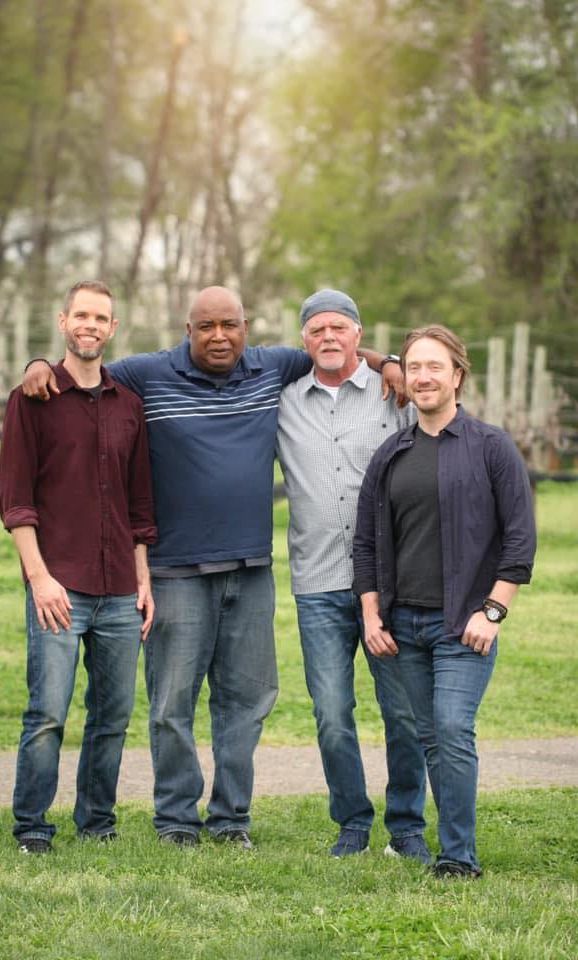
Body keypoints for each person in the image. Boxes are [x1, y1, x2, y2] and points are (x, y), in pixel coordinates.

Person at [22, 286, 403, 849]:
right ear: (188, 330)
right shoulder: (149, 374)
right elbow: (84, 370)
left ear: (246, 328)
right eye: (206, 327)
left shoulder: (271, 367)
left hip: (251, 569)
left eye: (230, 325)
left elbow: (335, 350)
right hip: (176, 571)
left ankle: (230, 819)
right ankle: (177, 819)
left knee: (246, 702)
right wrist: (37, 364)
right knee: (172, 704)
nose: (219, 336)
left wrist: (389, 362)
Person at [353, 324, 536, 878]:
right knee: (430, 736)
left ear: (457, 375)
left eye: (435, 366)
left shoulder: (491, 447)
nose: (424, 376)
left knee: (452, 728)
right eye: (414, 367)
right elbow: (366, 543)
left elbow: (520, 537)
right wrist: (371, 615)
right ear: (405, 379)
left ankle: (458, 857)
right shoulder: (391, 455)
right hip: (403, 627)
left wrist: (493, 611)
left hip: (464, 624)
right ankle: (445, 848)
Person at [0, 280, 156, 854]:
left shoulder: (129, 405)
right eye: (81, 315)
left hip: (120, 590)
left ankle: (97, 822)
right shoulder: (31, 400)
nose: (90, 325)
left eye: (101, 318)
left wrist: (143, 578)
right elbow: (16, 501)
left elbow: (140, 506)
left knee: (112, 716)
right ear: (64, 321)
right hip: (58, 585)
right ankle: (32, 827)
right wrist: (39, 578)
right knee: (47, 713)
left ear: (112, 328)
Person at [276, 289, 429, 860]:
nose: (329, 337)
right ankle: (352, 822)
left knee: (404, 714)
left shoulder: (396, 392)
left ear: (358, 334)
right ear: (304, 339)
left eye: (339, 327)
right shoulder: (283, 401)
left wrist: (391, 363)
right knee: (332, 714)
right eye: (317, 329)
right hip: (317, 582)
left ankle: (407, 826)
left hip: (392, 584)